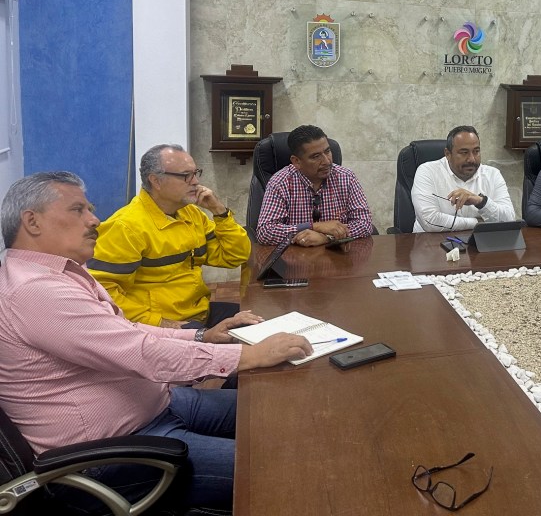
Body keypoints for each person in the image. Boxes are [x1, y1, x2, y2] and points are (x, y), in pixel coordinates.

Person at [0, 171, 311, 513]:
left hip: (156, 404)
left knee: (286, 410)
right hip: (116, 451)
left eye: (90, 209)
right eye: (78, 210)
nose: (95, 220)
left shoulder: (60, 273)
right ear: (32, 221)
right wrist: (244, 357)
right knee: (289, 468)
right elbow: (139, 352)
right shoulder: (34, 292)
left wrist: (202, 335)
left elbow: (127, 332)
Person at [89, 144, 249, 328]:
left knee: (262, 320)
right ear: (156, 181)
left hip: (198, 313)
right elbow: (102, 292)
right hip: (163, 324)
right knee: (245, 350)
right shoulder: (126, 226)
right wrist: (161, 323)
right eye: (186, 176)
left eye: (196, 173)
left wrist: (219, 211)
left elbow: (234, 257)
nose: (196, 181)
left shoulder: (191, 214)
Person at [256, 124, 374, 246]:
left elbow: (364, 224)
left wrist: (326, 238)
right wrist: (314, 226)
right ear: (297, 161)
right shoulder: (280, 182)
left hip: (338, 259)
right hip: (296, 259)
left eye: (327, 151)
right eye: (316, 156)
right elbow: (265, 232)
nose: (327, 161)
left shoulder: (346, 177)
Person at [411, 125, 516, 232]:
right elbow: (429, 221)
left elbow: (509, 220)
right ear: (448, 154)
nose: (471, 159)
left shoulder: (493, 175)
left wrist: (481, 202)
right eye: (464, 152)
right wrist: (478, 223)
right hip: (430, 244)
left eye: (476, 151)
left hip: (479, 244)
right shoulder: (427, 171)